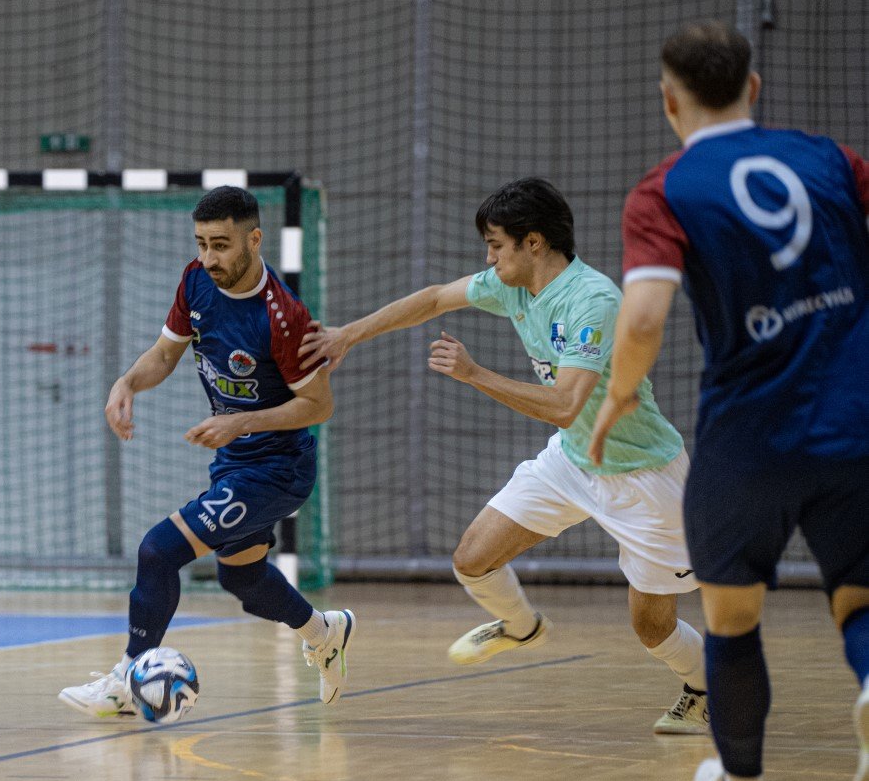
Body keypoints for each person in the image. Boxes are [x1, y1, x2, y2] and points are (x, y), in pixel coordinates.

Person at [590, 19, 869, 781]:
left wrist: (615, 398)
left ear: (668, 101)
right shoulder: (830, 160)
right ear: (753, 89)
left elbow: (642, 314)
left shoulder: (664, 190)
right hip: (856, 425)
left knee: (733, 619)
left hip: (749, 440)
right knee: (859, 595)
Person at [300, 178, 710, 734]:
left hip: (644, 477)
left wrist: (473, 374)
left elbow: (566, 404)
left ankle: (707, 686)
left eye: (496, 245)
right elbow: (435, 298)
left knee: (651, 627)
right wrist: (349, 334)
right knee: (472, 557)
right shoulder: (513, 286)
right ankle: (521, 626)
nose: (488, 259)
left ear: (533, 243)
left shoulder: (593, 299)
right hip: (572, 461)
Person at [59, 186, 353, 718]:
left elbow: (318, 405)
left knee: (159, 549)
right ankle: (325, 631)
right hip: (236, 463)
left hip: (277, 469)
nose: (208, 258)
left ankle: (126, 679)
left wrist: (242, 420)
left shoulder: (284, 318)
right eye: (201, 244)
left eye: (221, 245)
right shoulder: (195, 281)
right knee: (240, 578)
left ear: (254, 239)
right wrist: (126, 383)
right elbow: (166, 353)